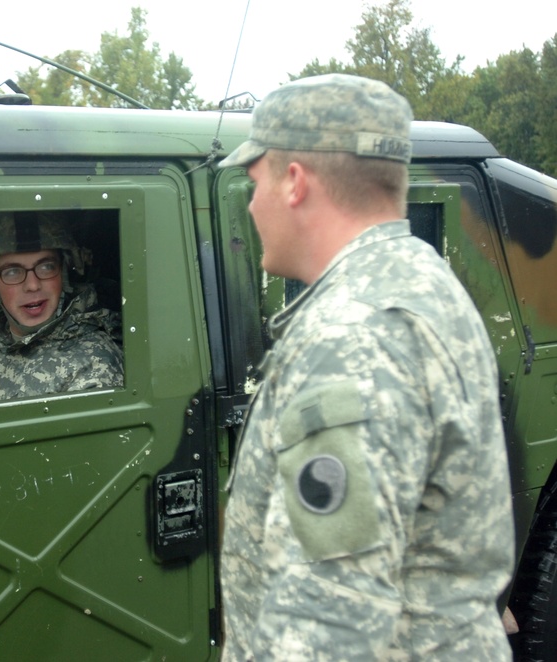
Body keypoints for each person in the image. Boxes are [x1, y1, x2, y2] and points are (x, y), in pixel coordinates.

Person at [219, 74, 515, 659]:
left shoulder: (354, 334)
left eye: (254, 182)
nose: (251, 204)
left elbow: (329, 618)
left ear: (295, 183)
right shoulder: (420, 283)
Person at [0, 211, 124, 406]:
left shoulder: (94, 361)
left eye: (46, 267)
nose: (33, 285)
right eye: (12, 271)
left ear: (62, 274)